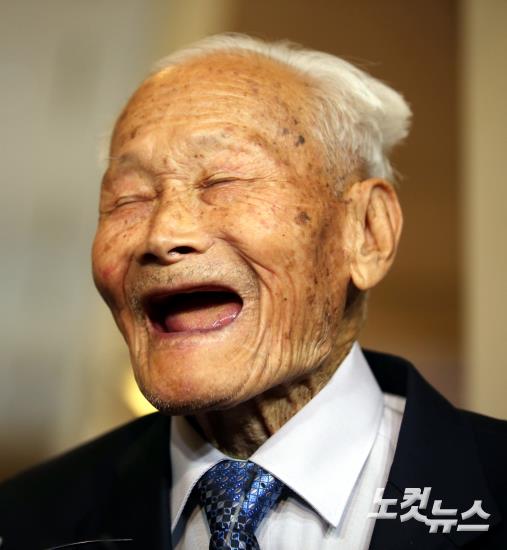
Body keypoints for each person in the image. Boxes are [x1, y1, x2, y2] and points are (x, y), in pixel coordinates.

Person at [0, 33, 506, 550]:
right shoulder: (23, 522)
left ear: (367, 232)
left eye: (223, 181)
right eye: (129, 198)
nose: (163, 234)